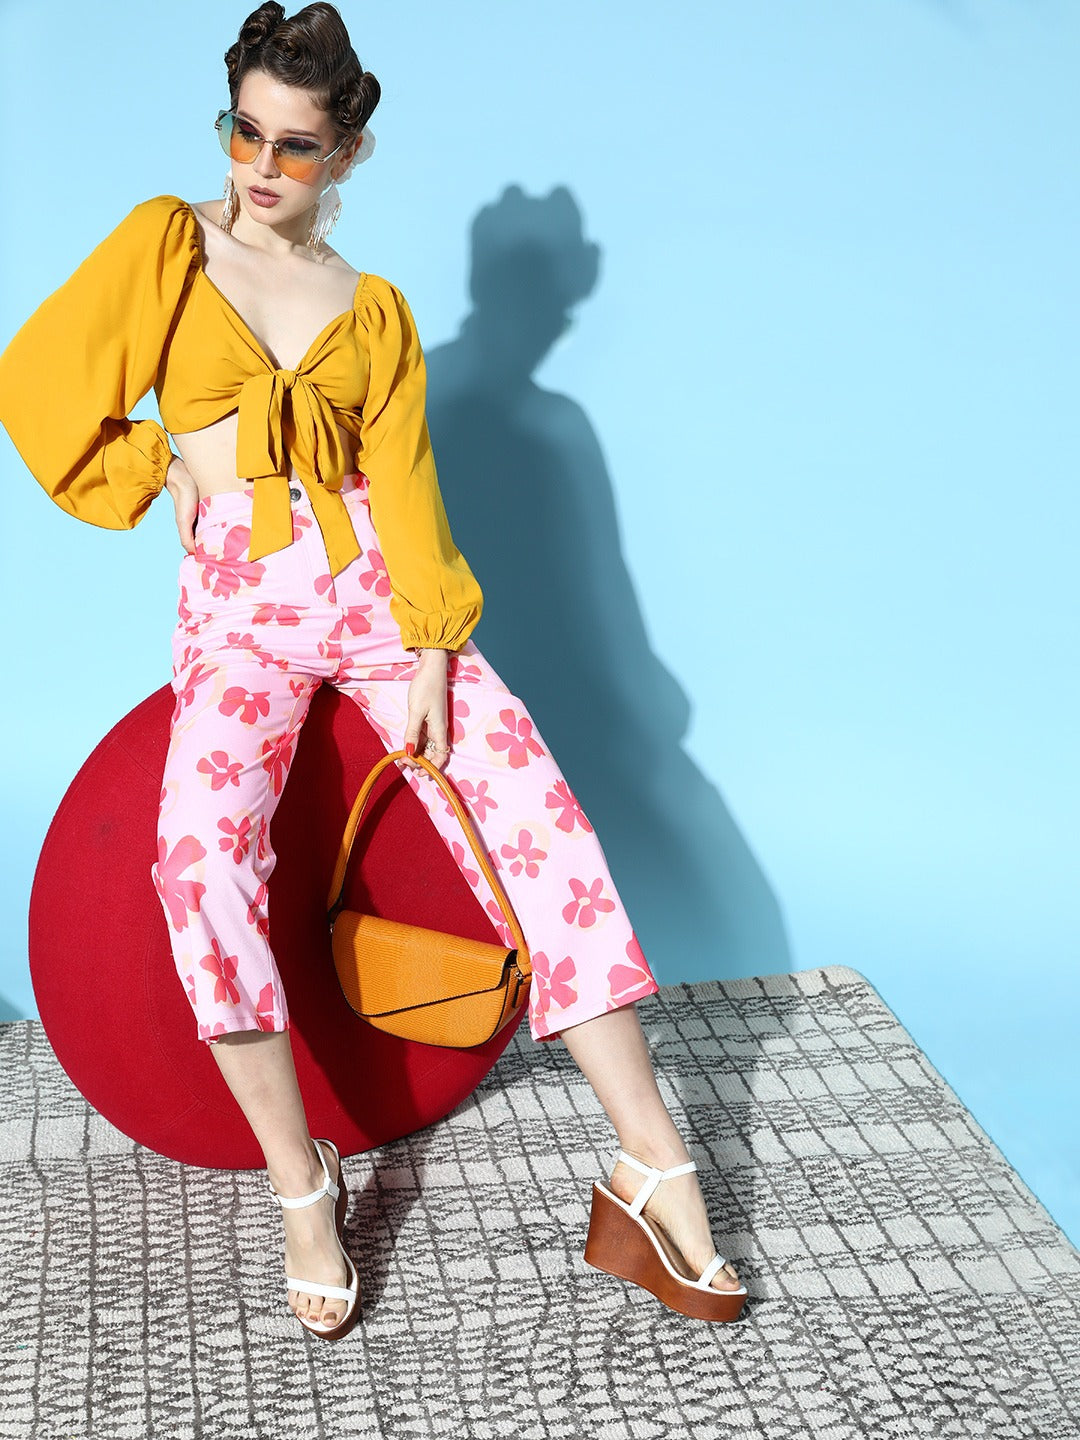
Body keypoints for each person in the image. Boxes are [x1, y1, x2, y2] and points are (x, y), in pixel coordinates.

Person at [0, 1, 745, 1340]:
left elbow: (404, 485)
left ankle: (652, 1162)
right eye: (245, 132)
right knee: (198, 862)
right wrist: (156, 466)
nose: (261, 167)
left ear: (348, 153)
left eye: (295, 146)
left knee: (543, 826)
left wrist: (435, 645)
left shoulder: (375, 308)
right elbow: (38, 382)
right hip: (242, 604)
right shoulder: (169, 245)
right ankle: (304, 1182)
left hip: (375, 596)